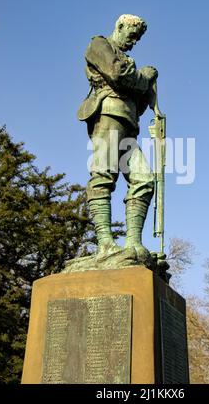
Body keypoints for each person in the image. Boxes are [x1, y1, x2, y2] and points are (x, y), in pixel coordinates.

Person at [77, 14, 158, 262]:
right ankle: (105, 244)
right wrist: (144, 77)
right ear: (120, 27)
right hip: (108, 115)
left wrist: (146, 86)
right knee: (103, 175)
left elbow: (139, 101)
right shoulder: (99, 45)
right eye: (131, 36)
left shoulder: (128, 58)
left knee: (144, 179)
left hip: (129, 124)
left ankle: (133, 243)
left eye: (137, 39)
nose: (133, 43)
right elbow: (119, 73)